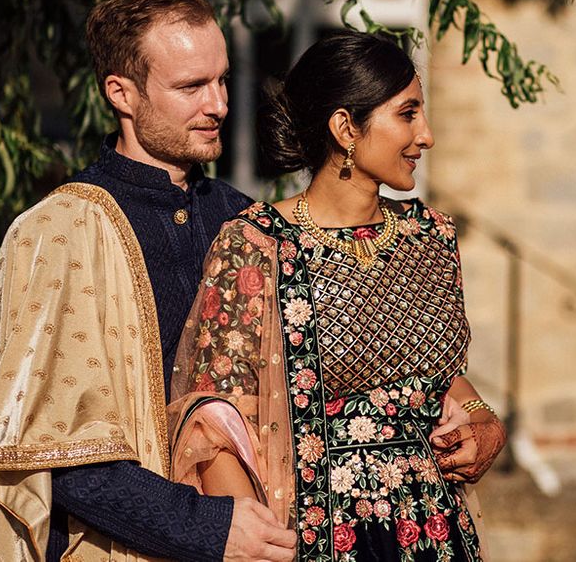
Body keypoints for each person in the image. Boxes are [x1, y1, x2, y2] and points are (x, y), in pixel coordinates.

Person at [0, 0, 297, 562]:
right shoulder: (56, 232)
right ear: (122, 92)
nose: (218, 104)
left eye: (221, 79)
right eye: (191, 87)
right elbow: (49, 453)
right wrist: (209, 528)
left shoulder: (246, 220)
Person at [168, 31, 507, 560]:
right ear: (346, 127)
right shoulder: (257, 246)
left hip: (438, 532)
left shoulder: (431, 237)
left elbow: (445, 378)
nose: (427, 136)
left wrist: (486, 424)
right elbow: (213, 420)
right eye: (408, 114)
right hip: (320, 537)